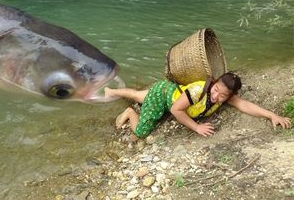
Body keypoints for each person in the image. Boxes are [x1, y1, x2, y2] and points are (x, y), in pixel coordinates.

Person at [104, 72, 291, 140]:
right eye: (216, 89)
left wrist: (272, 115)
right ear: (214, 83)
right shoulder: (197, 91)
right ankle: (129, 112)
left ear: (230, 96)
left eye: (223, 95)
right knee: (142, 132)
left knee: (139, 96)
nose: (216, 96)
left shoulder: (225, 97)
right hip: (163, 94)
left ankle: (111, 92)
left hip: (170, 92)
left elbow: (244, 105)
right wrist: (196, 127)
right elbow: (177, 110)